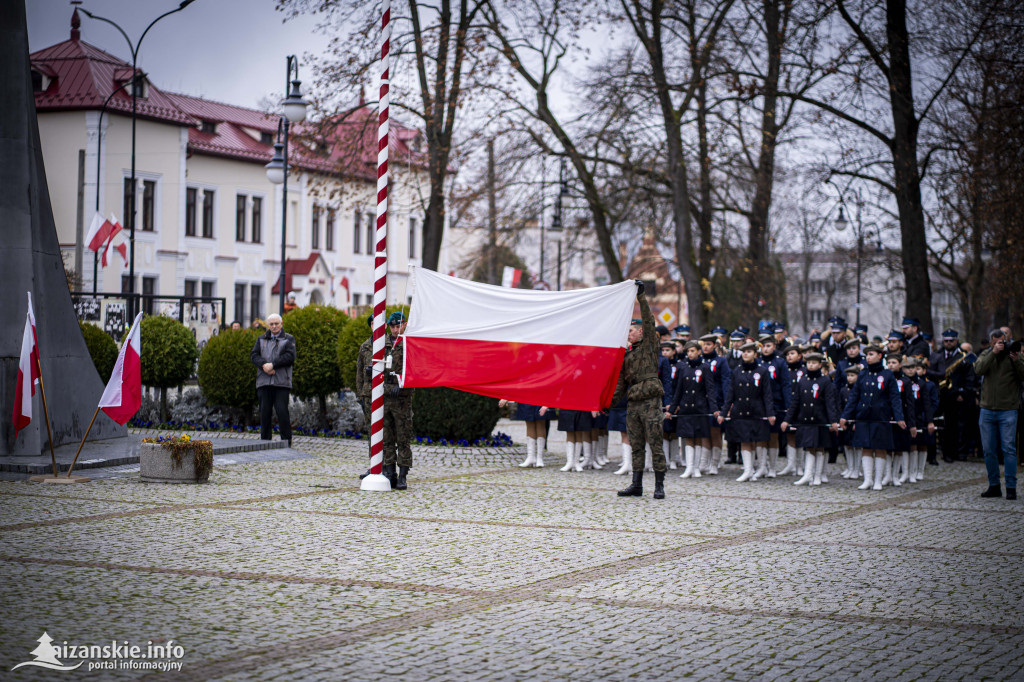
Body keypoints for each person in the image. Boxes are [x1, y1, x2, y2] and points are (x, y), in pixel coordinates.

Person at [613, 282, 667, 499]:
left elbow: (649, 319)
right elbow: (620, 385)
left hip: (651, 401)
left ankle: (659, 485)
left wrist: (642, 297)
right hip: (634, 403)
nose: (628, 334)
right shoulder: (626, 356)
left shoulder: (649, 346)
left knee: (655, 443)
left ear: (641, 331)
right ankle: (636, 484)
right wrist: (607, 403)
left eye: (631, 331)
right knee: (636, 444)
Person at [840, 344, 906, 491]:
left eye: (871, 354)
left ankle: (878, 480)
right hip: (864, 416)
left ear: (880, 356)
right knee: (866, 447)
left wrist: (899, 417)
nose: (868, 358)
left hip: (880, 416)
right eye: (867, 355)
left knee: (880, 447)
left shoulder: (888, 374)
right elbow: (854, 397)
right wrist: (845, 415)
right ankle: (868, 479)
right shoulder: (863, 374)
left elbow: (895, 398)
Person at [975, 329, 1024, 499]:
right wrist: (993, 354)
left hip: (1008, 410)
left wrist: (1017, 361)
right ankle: (994, 486)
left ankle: (1011, 488)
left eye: (1002, 341)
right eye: (996, 342)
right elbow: (978, 369)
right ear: (991, 342)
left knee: (1009, 449)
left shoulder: (1013, 355)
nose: (1000, 345)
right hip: (987, 410)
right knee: (989, 450)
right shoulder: (986, 354)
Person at [783, 351, 840, 486]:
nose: (811, 365)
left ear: (820, 364)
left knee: (820, 447)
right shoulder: (802, 380)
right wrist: (787, 419)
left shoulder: (825, 380)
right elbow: (795, 402)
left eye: (814, 363)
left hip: (820, 420)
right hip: (805, 420)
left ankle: (818, 476)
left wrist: (833, 421)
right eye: (809, 363)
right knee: (808, 447)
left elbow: (829, 402)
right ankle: (808, 475)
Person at [720, 341, 774, 482]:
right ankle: (748, 470)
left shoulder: (762, 371)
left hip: (757, 410)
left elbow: (767, 394)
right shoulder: (737, 371)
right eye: (744, 352)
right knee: (744, 439)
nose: (745, 354)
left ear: (755, 354)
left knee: (759, 439)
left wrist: (770, 413)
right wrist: (723, 412)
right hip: (740, 411)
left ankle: (761, 467)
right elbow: (731, 394)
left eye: (749, 352)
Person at [667, 340, 719, 478]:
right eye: (688, 351)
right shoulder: (683, 368)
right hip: (685, 408)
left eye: (692, 351)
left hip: (700, 408)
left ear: (699, 352)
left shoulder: (705, 367)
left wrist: (714, 408)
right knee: (688, 437)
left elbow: (710, 389)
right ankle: (689, 467)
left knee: (698, 437)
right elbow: (679, 390)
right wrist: (671, 409)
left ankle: (696, 468)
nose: (690, 354)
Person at [927, 329, 977, 463]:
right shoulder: (936, 355)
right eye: (946, 341)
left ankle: (955, 452)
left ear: (956, 341)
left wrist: (963, 393)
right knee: (939, 425)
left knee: (955, 426)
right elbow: (929, 371)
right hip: (939, 393)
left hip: (955, 395)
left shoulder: (964, 356)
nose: (948, 343)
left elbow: (969, 377)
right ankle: (940, 452)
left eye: (951, 341)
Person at [250, 313, 295, 446]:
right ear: (268, 325)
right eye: (271, 324)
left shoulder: (289, 339)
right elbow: (254, 355)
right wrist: (264, 365)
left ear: (281, 324)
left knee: (282, 411)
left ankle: (286, 441)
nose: (274, 326)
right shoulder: (261, 338)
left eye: (276, 324)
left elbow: (290, 356)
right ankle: (265, 441)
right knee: (264, 412)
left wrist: (273, 365)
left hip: (282, 382)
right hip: (264, 381)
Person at [382, 311, 414, 490]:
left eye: (398, 325)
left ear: (404, 324)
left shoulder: (409, 343)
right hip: (385, 397)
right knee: (387, 438)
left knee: (403, 438)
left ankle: (402, 475)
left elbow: (413, 368)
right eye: (392, 326)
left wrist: (402, 384)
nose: (395, 329)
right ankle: (389, 473)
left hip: (402, 399)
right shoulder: (384, 343)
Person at [757, 334, 792, 478]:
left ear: (774, 346)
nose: (765, 349)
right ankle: (761, 467)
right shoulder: (757, 362)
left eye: (768, 346)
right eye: (763, 346)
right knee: (760, 436)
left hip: (776, 402)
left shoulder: (780, 363)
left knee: (773, 435)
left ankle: (772, 467)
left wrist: (788, 404)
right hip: (759, 404)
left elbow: (785, 384)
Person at [906, 357, 938, 483]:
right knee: (912, 444)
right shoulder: (907, 383)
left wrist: (928, 417)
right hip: (911, 417)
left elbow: (931, 403)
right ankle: (910, 470)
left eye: (918, 368)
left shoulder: (928, 385)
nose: (915, 371)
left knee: (923, 444)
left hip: (923, 417)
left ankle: (920, 470)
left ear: (924, 371)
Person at [500, 399, 551, 468]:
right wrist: (506, 397)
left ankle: (539, 458)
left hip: (541, 395)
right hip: (527, 397)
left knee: (540, 423)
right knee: (529, 422)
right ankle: (531, 457)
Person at [355, 316, 374, 479]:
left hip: (387, 393)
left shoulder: (391, 344)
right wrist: (360, 393)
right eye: (373, 323)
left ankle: (388, 467)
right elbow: (359, 372)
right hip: (368, 393)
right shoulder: (365, 347)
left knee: (388, 433)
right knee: (371, 431)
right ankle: (374, 465)